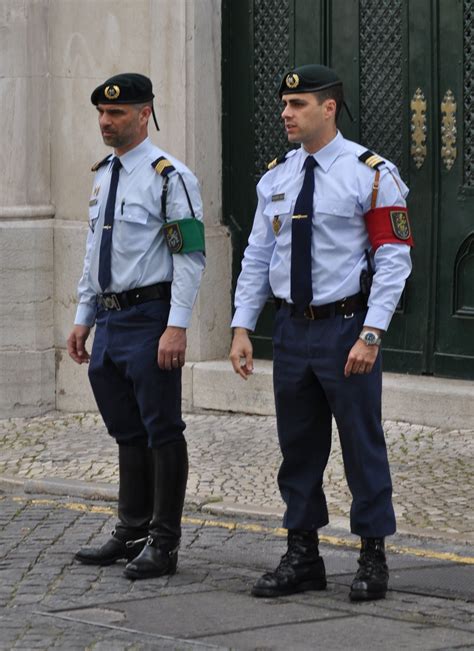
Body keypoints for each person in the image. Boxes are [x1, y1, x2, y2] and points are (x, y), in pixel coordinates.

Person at [229, 64, 413, 601]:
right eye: (285, 105)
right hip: (291, 330)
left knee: (362, 444)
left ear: (328, 107)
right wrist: (243, 325)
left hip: (346, 329)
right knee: (298, 447)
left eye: (298, 105)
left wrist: (372, 332)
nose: (286, 114)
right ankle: (302, 554)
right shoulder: (277, 176)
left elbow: (394, 258)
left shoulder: (372, 174)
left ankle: (372, 555)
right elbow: (258, 255)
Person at [67, 72, 205, 581]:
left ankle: (164, 544)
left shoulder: (171, 177)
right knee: (127, 431)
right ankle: (131, 530)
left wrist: (178, 326)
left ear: (144, 114)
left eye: (117, 113)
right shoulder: (104, 174)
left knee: (161, 428)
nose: (106, 121)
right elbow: (92, 253)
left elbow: (189, 255)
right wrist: (84, 317)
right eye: (102, 114)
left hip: (150, 318)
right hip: (109, 318)